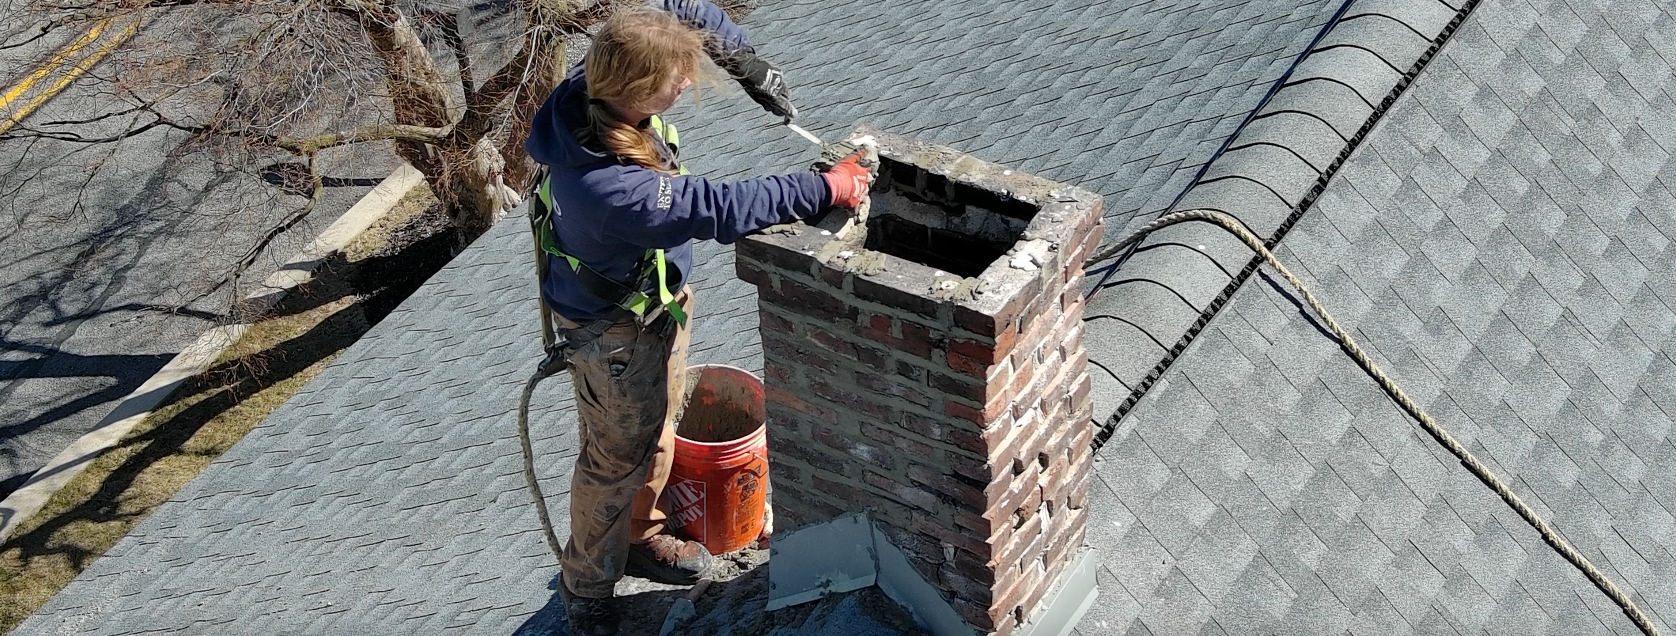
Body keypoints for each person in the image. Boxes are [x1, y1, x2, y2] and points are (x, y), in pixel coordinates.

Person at [523, 2, 872, 634]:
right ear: (638, 91)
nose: (687, 84)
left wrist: (744, 61)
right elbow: (718, 205)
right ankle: (588, 592)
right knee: (614, 456)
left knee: (657, 428)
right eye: (676, 79)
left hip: (649, 308)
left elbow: (679, 9)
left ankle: (641, 534)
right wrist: (827, 187)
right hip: (613, 336)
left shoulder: (594, 79)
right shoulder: (608, 187)